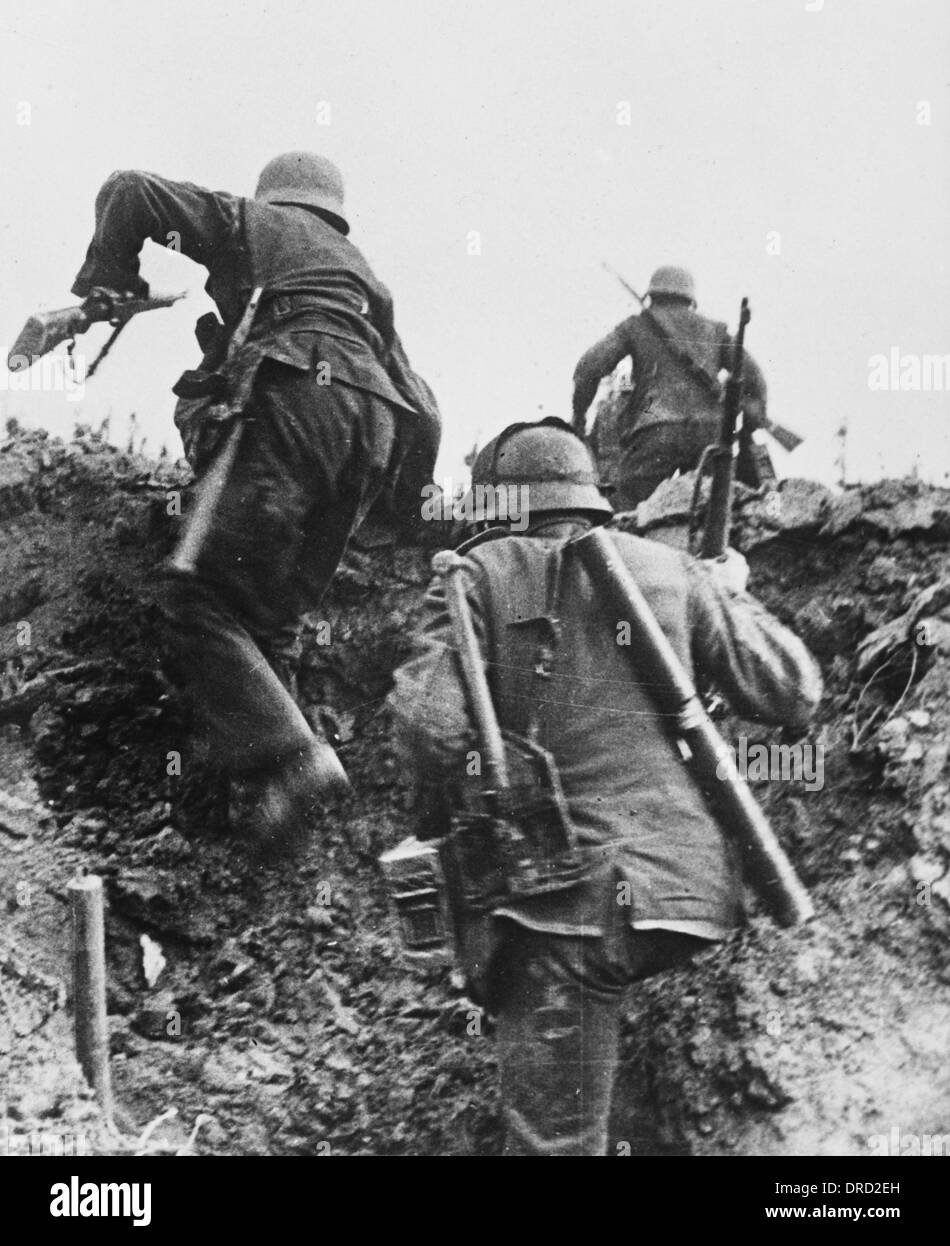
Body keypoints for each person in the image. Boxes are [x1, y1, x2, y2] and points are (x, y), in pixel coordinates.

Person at [387, 419, 821, 1156]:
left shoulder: (473, 577)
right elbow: (792, 693)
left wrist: (440, 826)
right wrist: (730, 595)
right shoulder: (671, 569)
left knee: (553, 1147)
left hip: (561, 907)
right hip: (684, 895)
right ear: (592, 499)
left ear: (495, 505)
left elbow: (431, 729)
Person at [70, 151, 439, 853]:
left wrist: (112, 280)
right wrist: (407, 508)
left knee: (192, 595)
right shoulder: (363, 281)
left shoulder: (249, 221)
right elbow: (424, 403)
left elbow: (131, 191)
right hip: (377, 428)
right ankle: (269, 825)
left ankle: (298, 762)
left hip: (297, 392)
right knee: (271, 626)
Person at [572, 265, 769, 508]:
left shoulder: (636, 326)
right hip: (711, 433)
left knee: (626, 506)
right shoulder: (714, 331)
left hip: (657, 428)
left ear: (652, 295)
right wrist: (750, 422)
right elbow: (755, 377)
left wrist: (579, 415)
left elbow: (588, 368)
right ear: (690, 299)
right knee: (710, 513)